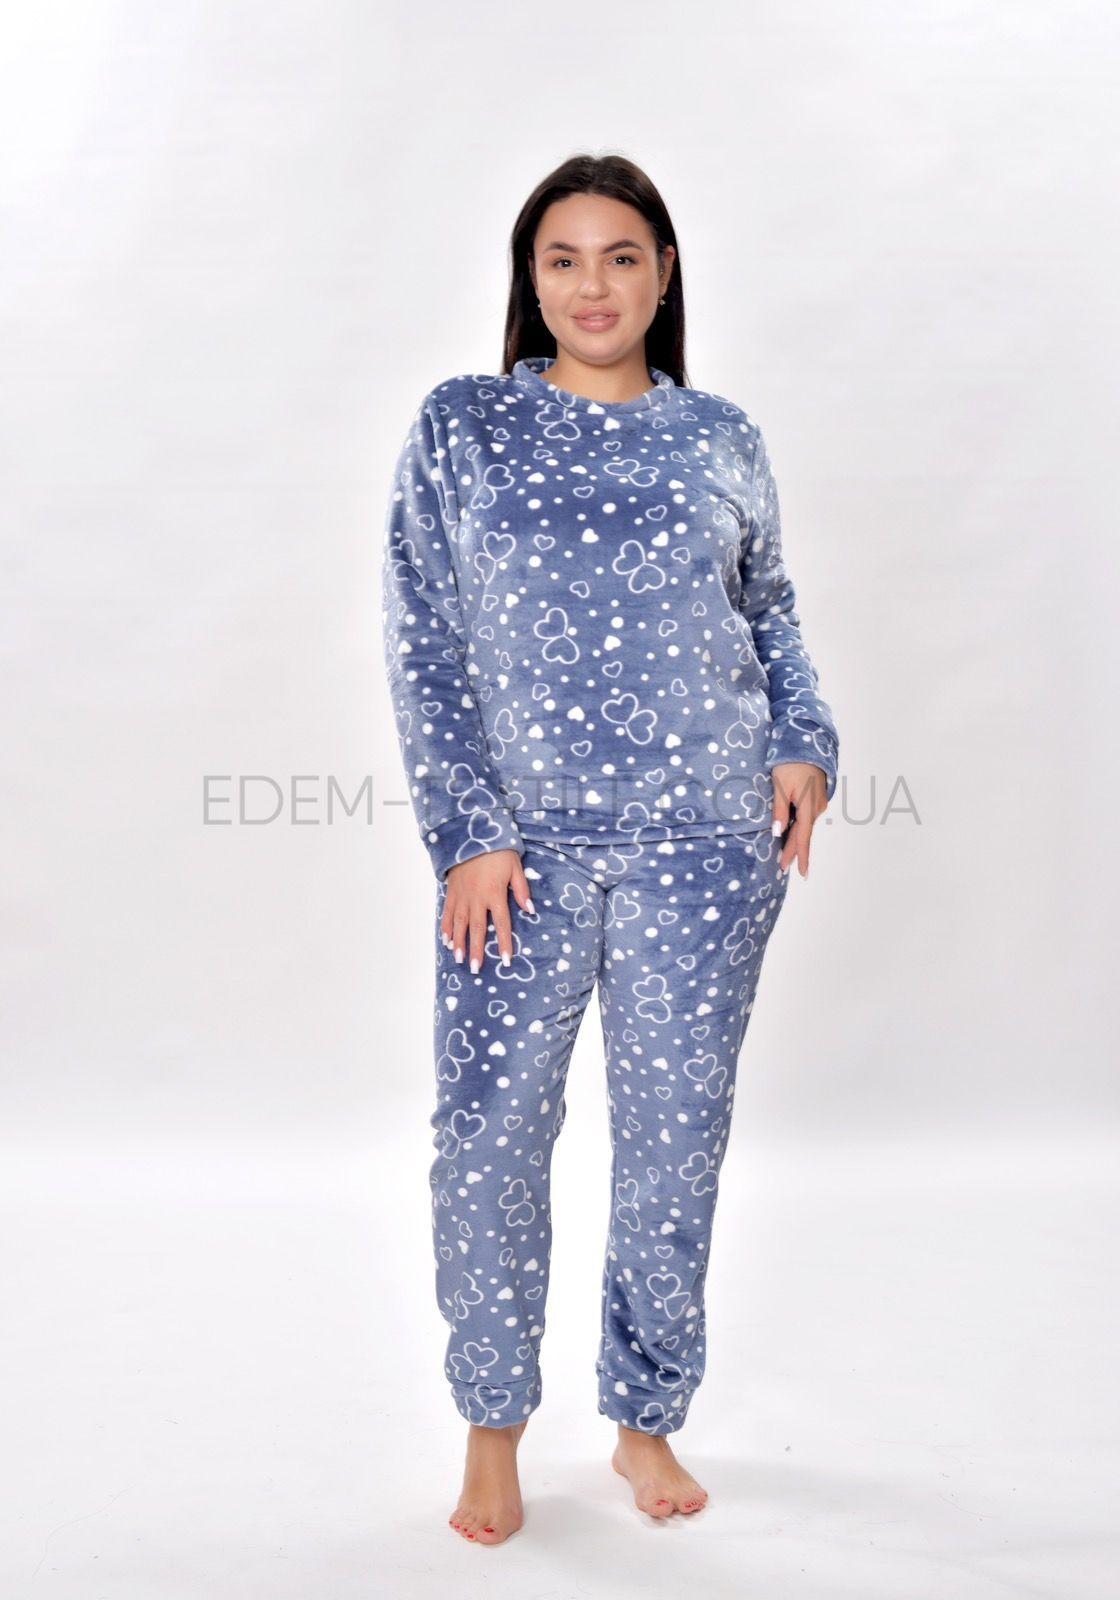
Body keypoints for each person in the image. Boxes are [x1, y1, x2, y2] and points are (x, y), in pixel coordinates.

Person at [380, 153, 840, 1545]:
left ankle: (645, 1420)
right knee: (488, 1142)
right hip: (519, 857)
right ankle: (493, 1429)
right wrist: (468, 835)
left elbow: (770, 609)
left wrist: (805, 741)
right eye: (564, 258)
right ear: (530, 280)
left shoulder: (718, 435)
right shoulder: (467, 424)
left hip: (708, 846)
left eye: (622, 256)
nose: (594, 285)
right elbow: (424, 636)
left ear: (664, 272)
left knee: (673, 1144)